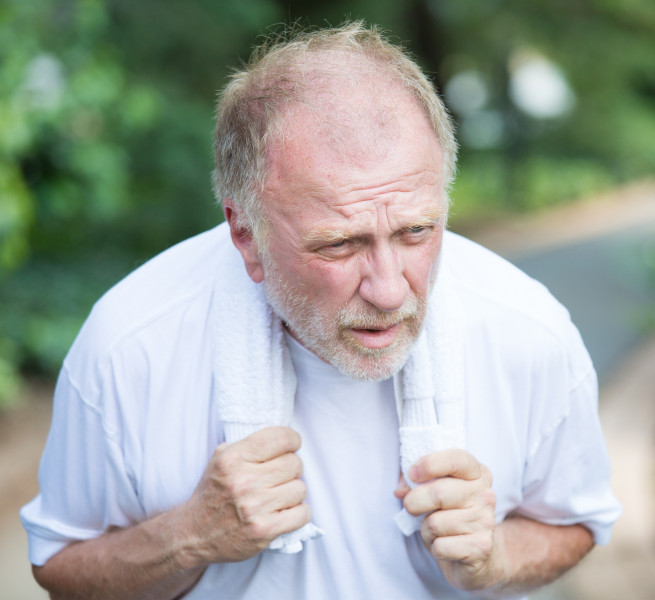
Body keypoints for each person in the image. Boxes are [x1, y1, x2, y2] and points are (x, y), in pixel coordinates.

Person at [20, 21, 620, 599]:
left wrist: (496, 557)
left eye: (416, 231)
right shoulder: (130, 346)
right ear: (245, 235)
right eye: (339, 243)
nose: (389, 291)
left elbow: (576, 523)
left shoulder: (529, 331)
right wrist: (188, 537)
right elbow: (61, 571)